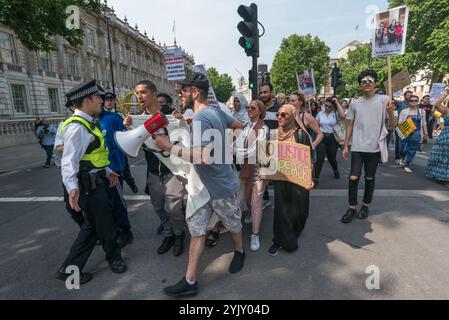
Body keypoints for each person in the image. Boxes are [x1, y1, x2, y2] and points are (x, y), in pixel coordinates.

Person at [154, 72, 245, 297]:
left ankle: (240, 251)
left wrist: (167, 146)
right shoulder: (213, 112)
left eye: (183, 90)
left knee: (232, 223)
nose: (179, 93)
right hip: (202, 187)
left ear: (195, 93)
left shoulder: (203, 118)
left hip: (221, 186)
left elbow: (202, 156)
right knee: (196, 230)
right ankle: (190, 280)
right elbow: (239, 125)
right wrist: (223, 145)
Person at [55, 80, 127, 285]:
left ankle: (69, 269)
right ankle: (114, 259)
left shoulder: (87, 122)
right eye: (98, 98)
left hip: (94, 180)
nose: (101, 101)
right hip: (88, 187)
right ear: (87, 100)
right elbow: (69, 161)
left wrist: (107, 170)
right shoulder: (77, 128)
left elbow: (91, 157)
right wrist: (72, 188)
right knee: (105, 224)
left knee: (92, 227)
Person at [124, 81, 186, 257]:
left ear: (154, 94)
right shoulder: (136, 118)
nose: (139, 97)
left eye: (143, 92)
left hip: (171, 170)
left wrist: (180, 122)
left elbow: (183, 137)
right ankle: (169, 234)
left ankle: (179, 235)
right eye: (137, 93)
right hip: (152, 171)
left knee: (173, 208)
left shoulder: (171, 115)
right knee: (158, 206)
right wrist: (129, 128)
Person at [341, 69, 397, 223]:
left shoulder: (384, 99)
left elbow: (394, 124)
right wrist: (346, 145)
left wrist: (391, 113)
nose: (366, 83)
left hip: (374, 147)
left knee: (369, 177)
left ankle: (365, 206)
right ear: (360, 85)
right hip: (357, 147)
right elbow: (350, 125)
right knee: (353, 177)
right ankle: (352, 208)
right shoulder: (354, 103)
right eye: (363, 81)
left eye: (369, 80)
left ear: (375, 83)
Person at [268, 104, 314, 256]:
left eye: (284, 115)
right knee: (281, 211)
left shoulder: (302, 135)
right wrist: (264, 171)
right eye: (278, 115)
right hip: (281, 179)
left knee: (300, 211)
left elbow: (308, 160)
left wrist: (310, 178)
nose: (279, 118)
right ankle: (280, 240)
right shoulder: (273, 134)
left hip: (299, 180)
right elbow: (267, 156)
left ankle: (294, 232)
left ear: (293, 116)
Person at [99, 96, 134, 248]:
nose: (107, 102)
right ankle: (111, 230)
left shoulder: (113, 118)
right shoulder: (88, 121)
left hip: (113, 168)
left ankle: (125, 231)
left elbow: (124, 138)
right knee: (104, 204)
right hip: (96, 171)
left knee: (117, 201)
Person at [237, 100, 268, 252]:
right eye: (248, 107)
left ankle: (254, 235)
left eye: (252, 108)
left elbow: (255, 151)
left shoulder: (263, 129)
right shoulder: (247, 126)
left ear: (260, 111)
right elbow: (238, 143)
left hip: (258, 169)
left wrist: (236, 153)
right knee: (247, 198)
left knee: (256, 202)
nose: (249, 110)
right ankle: (251, 213)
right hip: (245, 168)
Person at [289, 91, 324, 186]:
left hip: (304, 155)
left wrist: (313, 145)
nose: (290, 103)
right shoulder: (287, 116)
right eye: (289, 101)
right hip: (290, 154)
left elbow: (320, 134)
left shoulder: (307, 117)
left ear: (300, 102)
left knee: (303, 184)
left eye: (293, 101)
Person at [314, 97, 346, 184]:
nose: (327, 108)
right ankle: (316, 178)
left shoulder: (336, 113)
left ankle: (335, 170)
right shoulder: (320, 114)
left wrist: (336, 102)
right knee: (320, 158)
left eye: (330, 106)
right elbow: (316, 126)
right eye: (326, 106)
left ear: (333, 107)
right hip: (322, 137)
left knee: (332, 158)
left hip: (333, 138)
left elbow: (343, 116)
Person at [398, 95, 428, 173]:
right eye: (412, 100)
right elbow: (399, 122)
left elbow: (424, 123)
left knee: (412, 149)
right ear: (408, 102)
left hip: (417, 133)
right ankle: (402, 158)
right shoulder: (404, 111)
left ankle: (408, 165)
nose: (414, 102)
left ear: (418, 101)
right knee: (403, 147)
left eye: (416, 100)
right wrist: (404, 124)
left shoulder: (422, 111)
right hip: (406, 131)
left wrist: (426, 133)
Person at [426, 87, 449, 187]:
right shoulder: (446, 110)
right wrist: (446, 94)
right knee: (444, 158)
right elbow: (436, 105)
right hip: (446, 137)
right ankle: (445, 178)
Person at [394, 90, 413, 163]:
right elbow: (391, 99)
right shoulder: (400, 103)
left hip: (410, 125)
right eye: (408, 95)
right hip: (400, 125)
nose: (410, 96)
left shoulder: (414, 104)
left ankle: (403, 157)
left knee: (407, 143)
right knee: (399, 142)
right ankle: (398, 157)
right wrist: (391, 89)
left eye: (411, 95)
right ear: (405, 96)